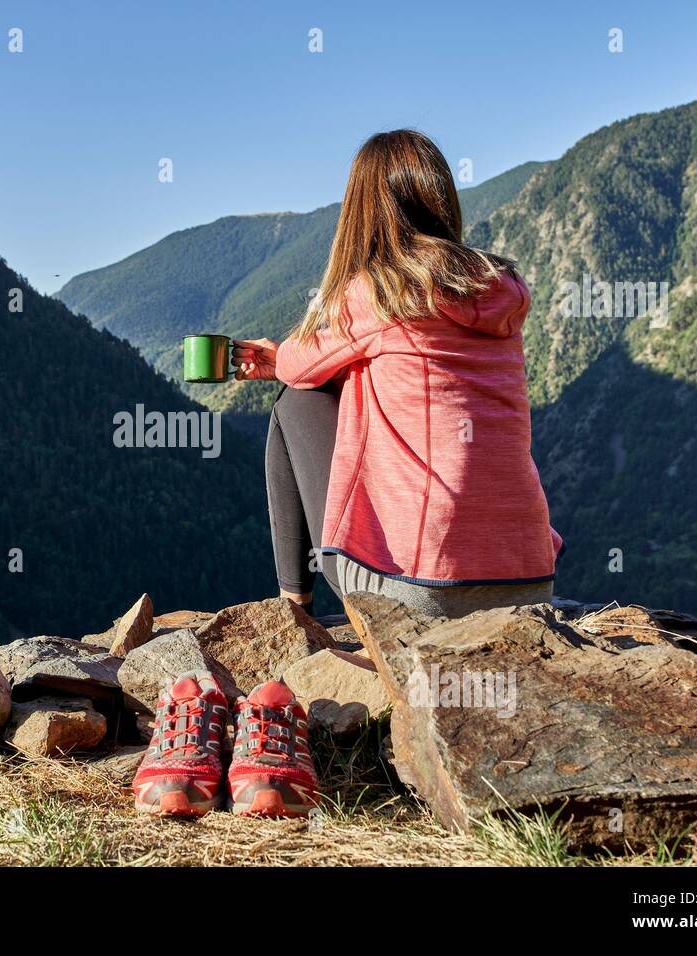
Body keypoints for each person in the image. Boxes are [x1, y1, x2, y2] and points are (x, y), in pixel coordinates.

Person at [131, 130, 561, 819]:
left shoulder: (376, 290)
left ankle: (294, 608)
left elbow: (302, 367)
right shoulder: (496, 290)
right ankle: (299, 608)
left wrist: (264, 356)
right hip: (526, 578)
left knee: (296, 403)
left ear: (363, 210)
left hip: (421, 592)